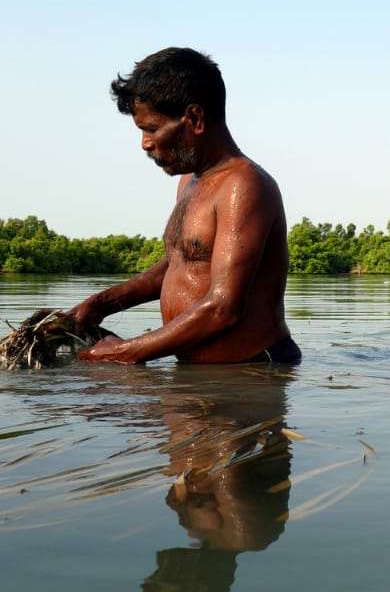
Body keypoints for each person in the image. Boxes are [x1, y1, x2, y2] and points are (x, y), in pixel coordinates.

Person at [70, 47, 301, 364]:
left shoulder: (244, 186)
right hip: (200, 377)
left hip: (251, 375)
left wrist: (124, 352)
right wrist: (101, 304)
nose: (146, 143)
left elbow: (223, 308)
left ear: (194, 118)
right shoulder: (190, 182)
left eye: (151, 128)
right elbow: (179, 265)